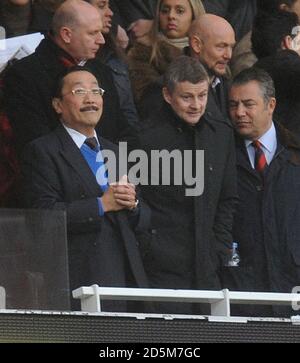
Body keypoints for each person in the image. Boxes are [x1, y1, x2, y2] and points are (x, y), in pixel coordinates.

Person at [21, 66, 151, 311]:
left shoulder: (116, 152)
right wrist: (101, 205)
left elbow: (145, 218)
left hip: (127, 276)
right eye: (79, 91)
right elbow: (42, 217)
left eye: (95, 90)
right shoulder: (43, 151)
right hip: (79, 278)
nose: (90, 98)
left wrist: (133, 205)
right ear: (58, 105)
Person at [138, 56, 237, 314]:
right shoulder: (142, 139)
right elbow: (136, 202)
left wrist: (219, 247)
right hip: (160, 266)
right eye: (187, 97)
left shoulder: (222, 134)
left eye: (202, 96)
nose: (196, 105)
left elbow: (227, 198)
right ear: (167, 95)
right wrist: (150, 245)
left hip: (208, 264)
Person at [4, 0, 137, 156]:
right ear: (66, 34)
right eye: (92, 33)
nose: (101, 40)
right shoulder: (24, 75)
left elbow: (122, 128)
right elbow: (34, 142)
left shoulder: (101, 71)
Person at [226, 67, 300, 317]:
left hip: (293, 286)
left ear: (271, 105)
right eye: (233, 105)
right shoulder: (221, 156)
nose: (239, 113)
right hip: (242, 287)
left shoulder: (295, 155)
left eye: (248, 104)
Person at [128, 0, 205, 117]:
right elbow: (148, 100)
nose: (171, 16)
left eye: (179, 11)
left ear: (194, 16)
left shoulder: (207, 51)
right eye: (165, 11)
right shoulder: (143, 52)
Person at [188, 14, 236, 121]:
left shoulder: (228, 87)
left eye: (231, 47)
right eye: (221, 46)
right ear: (196, 45)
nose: (228, 55)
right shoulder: (169, 87)